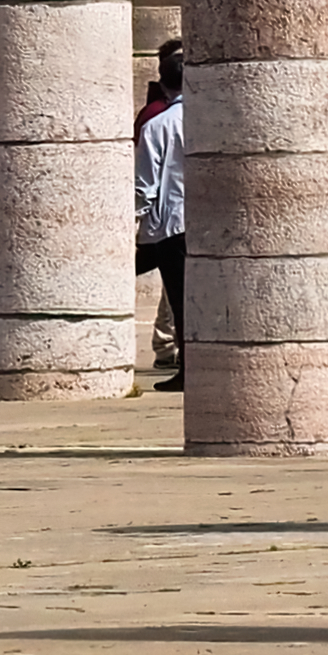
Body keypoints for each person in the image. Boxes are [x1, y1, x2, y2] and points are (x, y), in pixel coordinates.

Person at [137, 39, 190, 391]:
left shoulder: (157, 125)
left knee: (181, 301)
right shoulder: (215, 117)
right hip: (212, 221)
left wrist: (135, 221)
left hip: (174, 225)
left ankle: (189, 367)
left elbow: (145, 183)